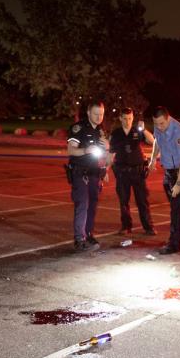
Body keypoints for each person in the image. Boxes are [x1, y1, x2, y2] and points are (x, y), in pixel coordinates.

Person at [149, 106, 180, 254]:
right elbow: (156, 140)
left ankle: (174, 244)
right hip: (168, 171)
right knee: (176, 203)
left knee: (175, 208)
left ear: (168, 118)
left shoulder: (179, 132)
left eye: (162, 123)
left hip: (179, 172)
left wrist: (179, 183)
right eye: (156, 124)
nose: (159, 127)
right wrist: (153, 158)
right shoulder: (158, 126)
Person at [66, 101, 109, 251]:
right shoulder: (78, 128)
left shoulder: (101, 130)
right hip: (80, 173)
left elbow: (104, 153)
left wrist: (105, 168)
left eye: (102, 114)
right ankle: (79, 239)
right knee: (82, 205)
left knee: (92, 206)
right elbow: (71, 150)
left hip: (95, 174)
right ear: (89, 113)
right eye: (96, 114)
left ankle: (88, 234)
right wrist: (86, 150)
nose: (99, 117)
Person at [109, 107, 157, 236]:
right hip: (122, 172)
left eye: (130, 118)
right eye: (124, 118)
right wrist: (105, 170)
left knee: (142, 200)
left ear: (133, 118)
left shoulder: (137, 131)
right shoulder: (116, 133)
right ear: (120, 118)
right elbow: (110, 153)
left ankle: (148, 227)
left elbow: (152, 141)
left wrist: (144, 129)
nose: (127, 121)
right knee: (123, 201)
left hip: (138, 172)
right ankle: (126, 226)